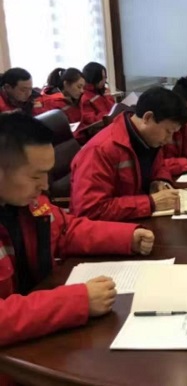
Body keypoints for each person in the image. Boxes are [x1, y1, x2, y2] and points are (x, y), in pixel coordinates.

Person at [0, 113, 155, 350]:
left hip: (34, 336)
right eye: (35, 175)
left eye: (47, 173)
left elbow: (66, 230)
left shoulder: (25, 202)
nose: (45, 185)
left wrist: (128, 237)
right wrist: (79, 301)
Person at [70, 87, 187, 221]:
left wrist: (159, 180)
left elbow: (159, 166)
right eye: (168, 131)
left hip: (137, 219)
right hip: (110, 228)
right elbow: (90, 210)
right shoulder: (100, 150)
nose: (169, 140)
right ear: (148, 118)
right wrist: (150, 202)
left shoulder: (149, 139)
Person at [79, 62, 115, 127]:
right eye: (102, 78)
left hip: (112, 123)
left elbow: (113, 107)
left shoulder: (103, 90)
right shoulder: (85, 97)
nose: (104, 80)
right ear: (94, 78)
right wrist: (107, 115)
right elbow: (92, 120)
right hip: (101, 128)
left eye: (105, 77)